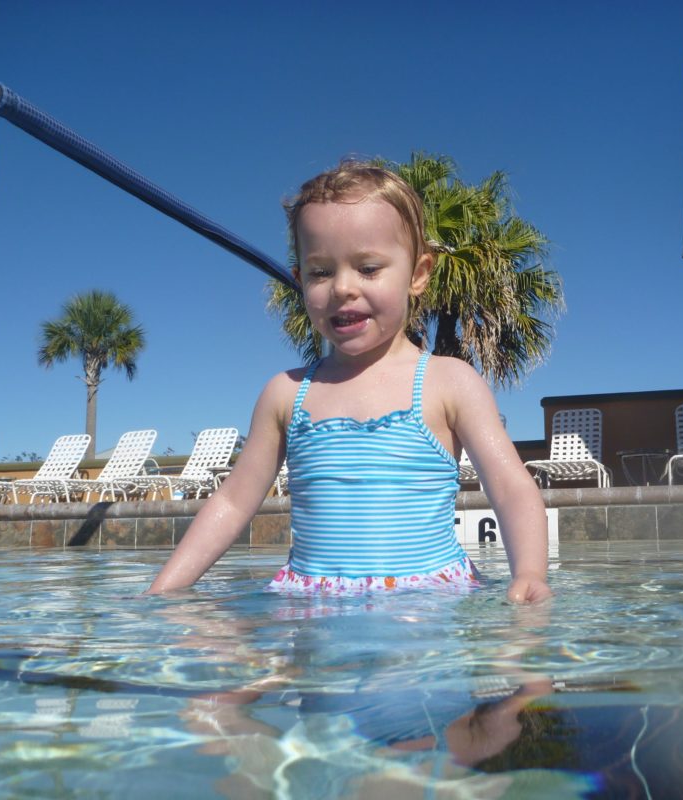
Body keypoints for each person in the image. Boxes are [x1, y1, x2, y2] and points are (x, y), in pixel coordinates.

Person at [147, 161, 550, 603]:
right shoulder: (286, 393)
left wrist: (529, 574)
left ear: (417, 274)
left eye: (369, 268)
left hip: (426, 602)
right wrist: (164, 591)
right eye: (321, 272)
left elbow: (511, 488)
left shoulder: (447, 382)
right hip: (310, 603)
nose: (342, 287)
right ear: (300, 281)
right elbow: (232, 504)